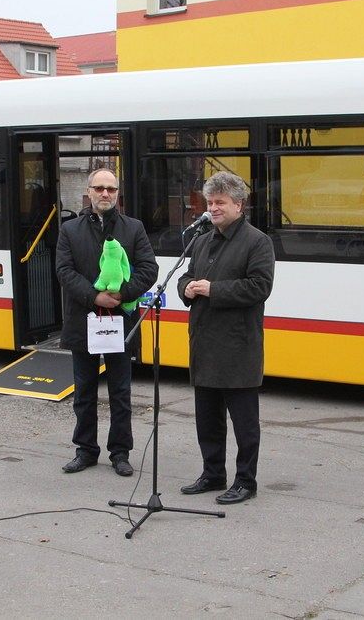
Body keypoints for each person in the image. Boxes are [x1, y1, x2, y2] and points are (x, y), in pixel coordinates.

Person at [177, 172, 275, 504]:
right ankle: (212, 473)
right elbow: (187, 275)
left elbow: (260, 287)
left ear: (238, 204)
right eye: (210, 202)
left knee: (245, 424)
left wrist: (212, 289)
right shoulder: (203, 240)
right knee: (208, 419)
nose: (213, 208)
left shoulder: (257, 241)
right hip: (204, 345)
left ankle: (246, 481)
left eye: (220, 202)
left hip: (238, 348)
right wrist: (186, 288)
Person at [56, 168, 158, 477]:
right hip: (83, 320)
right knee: (85, 391)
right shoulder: (69, 230)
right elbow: (64, 270)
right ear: (88, 192)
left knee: (120, 392)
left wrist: (123, 293)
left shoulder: (134, 228)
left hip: (120, 322)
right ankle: (85, 450)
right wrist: (94, 296)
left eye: (111, 189)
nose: (105, 194)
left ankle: (120, 452)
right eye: (99, 188)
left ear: (117, 193)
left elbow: (148, 268)